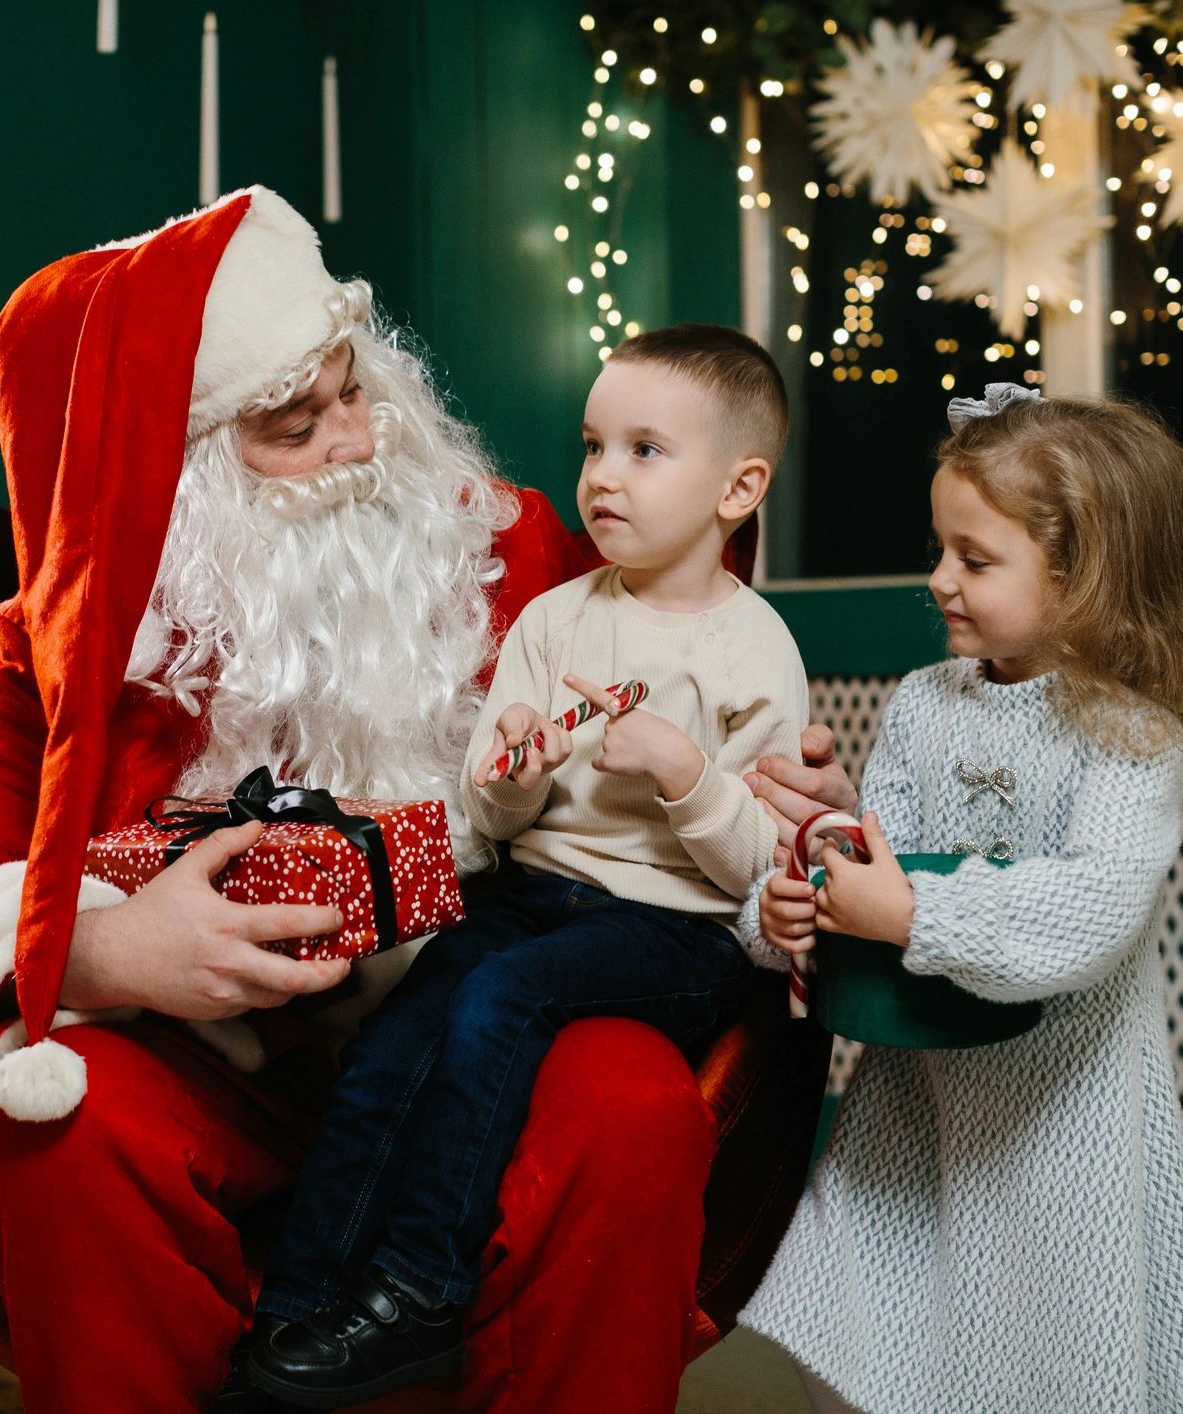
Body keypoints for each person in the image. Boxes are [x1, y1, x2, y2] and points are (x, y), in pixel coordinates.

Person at [0, 188, 848, 1412]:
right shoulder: (46, 649)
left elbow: (701, 661)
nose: (355, 441)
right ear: (172, 474)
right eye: (293, 423)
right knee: (63, 1129)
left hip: (482, 1029)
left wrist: (787, 783)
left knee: (631, 1105)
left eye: (353, 390)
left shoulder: (508, 549)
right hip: (215, 1071)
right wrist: (107, 953)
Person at [242, 325, 809, 1408]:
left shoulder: (754, 649)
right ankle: (291, 1322)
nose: (602, 476)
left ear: (739, 488)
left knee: (502, 995)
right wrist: (513, 770)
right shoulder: (555, 620)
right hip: (532, 890)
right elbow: (495, 818)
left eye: (645, 450)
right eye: (594, 446)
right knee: (391, 1040)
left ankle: (419, 1287)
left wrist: (689, 777)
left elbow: (754, 867)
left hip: (670, 927)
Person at [746, 384, 1183, 1414]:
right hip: (914, 1096)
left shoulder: (1127, 731)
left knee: (1044, 1348)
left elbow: (1096, 904)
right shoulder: (926, 702)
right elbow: (868, 851)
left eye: (975, 560)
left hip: (1058, 1113)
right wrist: (796, 901)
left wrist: (921, 918)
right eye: (939, 549)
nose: (940, 579)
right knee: (852, 1303)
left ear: (1085, 577)